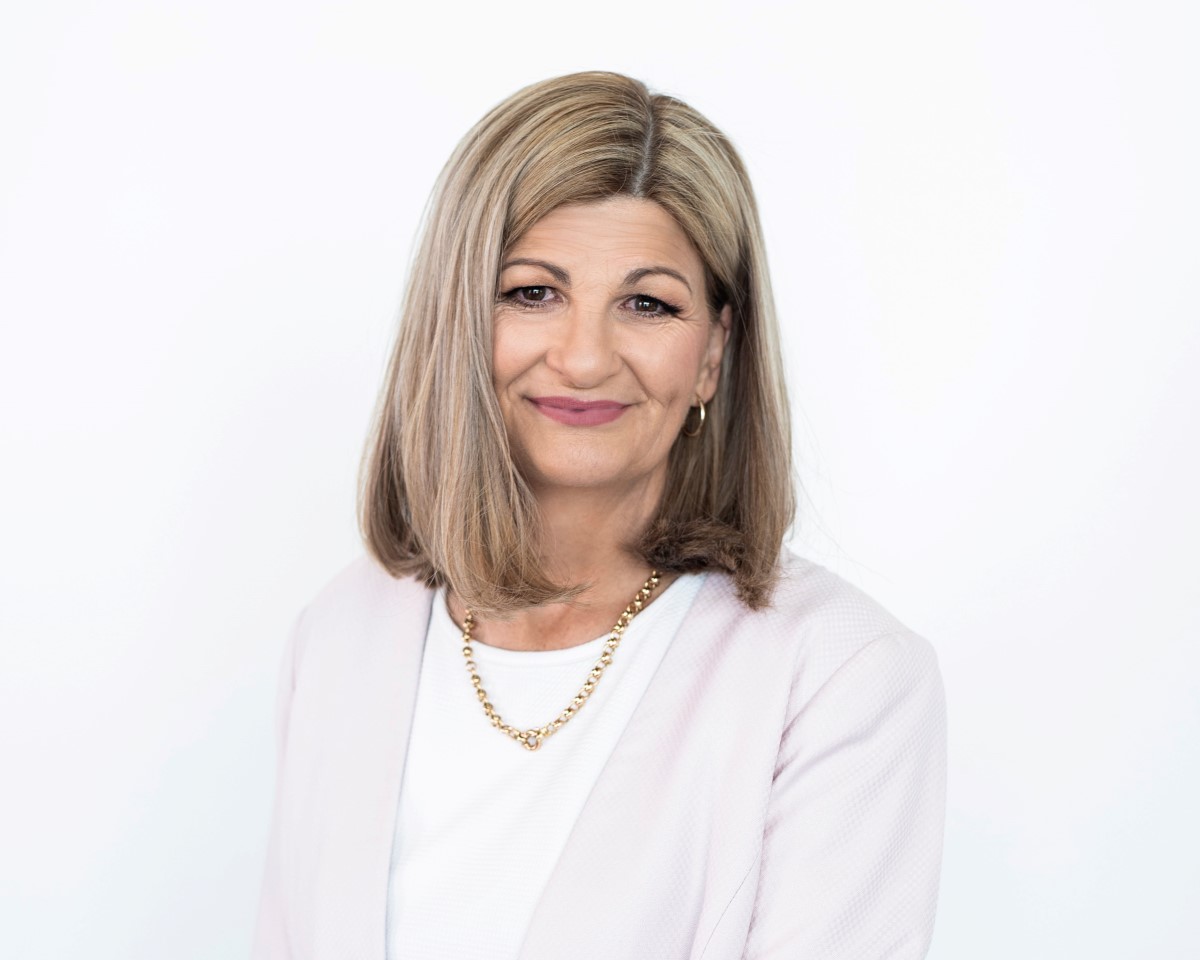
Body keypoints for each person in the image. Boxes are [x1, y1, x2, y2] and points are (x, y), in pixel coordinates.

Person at [253, 70, 946, 960]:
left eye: (648, 304)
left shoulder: (840, 676)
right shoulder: (344, 632)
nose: (583, 358)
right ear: (458, 321)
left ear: (712, 355)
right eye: (532, 292)